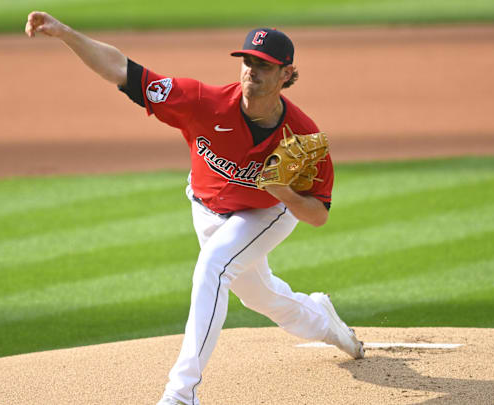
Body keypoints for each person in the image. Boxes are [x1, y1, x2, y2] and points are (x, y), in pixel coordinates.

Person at [25, 12, 364, 405]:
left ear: (287, 74)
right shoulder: (203, 102)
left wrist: (285, 193)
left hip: (266, 213)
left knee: (213, 267)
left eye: (265, 65)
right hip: (205, 210)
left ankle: (180, 394)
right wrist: (65, 33)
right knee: (260, 296)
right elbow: (123, 70)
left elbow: (318, 215)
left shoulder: (304, 136)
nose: (252, 70)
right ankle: (323, 319)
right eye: (248, 60)